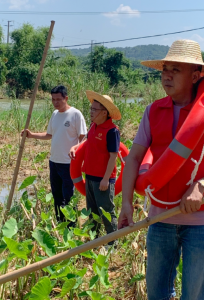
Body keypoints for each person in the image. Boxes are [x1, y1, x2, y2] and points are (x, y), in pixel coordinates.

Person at [118, 39, 204, 300]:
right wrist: (126, 203)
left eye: (176, 69)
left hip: (199, 223)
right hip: (159, 220)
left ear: (196, 75)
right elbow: (133, 159)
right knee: (157, 294)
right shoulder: (152, 111)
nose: (166, 75)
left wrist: (201, 186)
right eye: (165, 69)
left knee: (194, 296)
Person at [21, 85, 87, 223]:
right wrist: (32, 135)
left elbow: (84, 138)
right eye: (53, 99)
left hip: (69, 163)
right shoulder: (55, 114)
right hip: (54, 161)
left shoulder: (76, 114)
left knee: (68, 196)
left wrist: (75, 148)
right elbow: (49, 135)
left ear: (66, 98)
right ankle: (59, 222)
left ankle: (71, 225)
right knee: (56, 195)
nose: (55, 102)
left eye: (58, 99)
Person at [69, 91, 121, 243]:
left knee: (106, 211)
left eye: (94, 110)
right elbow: (87, 142)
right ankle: (93, 240)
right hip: (90, 176)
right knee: (92, 211)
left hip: (103, 179)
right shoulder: (93, 126)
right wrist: (75, 147)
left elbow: (113, 156)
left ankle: (113, 243)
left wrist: (106, 179)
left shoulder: (112, 131)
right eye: (91, 109)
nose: (90, 112)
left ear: (104, 112)